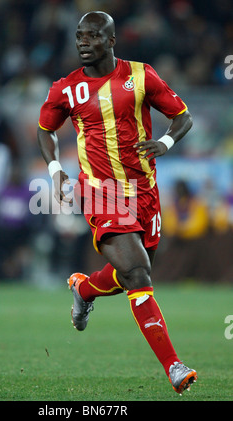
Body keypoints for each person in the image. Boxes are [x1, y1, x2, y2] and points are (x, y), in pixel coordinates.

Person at [37, 11, 197, 395]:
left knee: (133, 275)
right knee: (139, 274)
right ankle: (174, 366)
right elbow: (45, 130)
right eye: (79, 35)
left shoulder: (141, 75)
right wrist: (56, 168)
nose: (82, 42)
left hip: (145, 191)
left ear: (110, 41)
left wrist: (166, 143)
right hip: (100, 192)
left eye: (92, 36)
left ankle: (84, 290)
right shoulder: (65, 89)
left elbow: (183, 116)